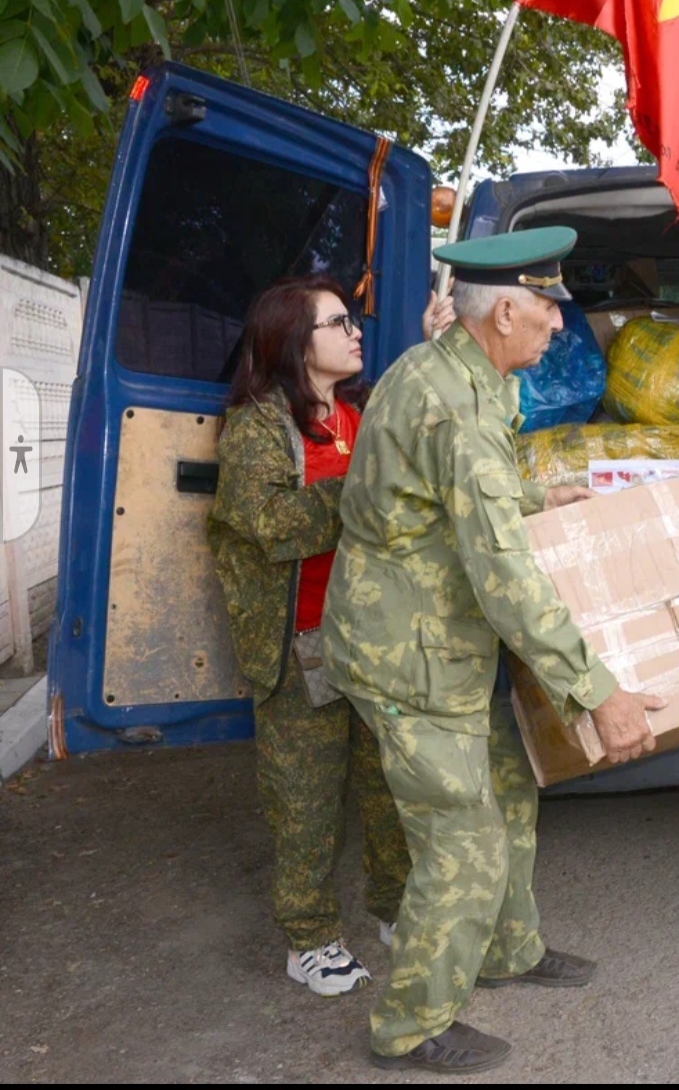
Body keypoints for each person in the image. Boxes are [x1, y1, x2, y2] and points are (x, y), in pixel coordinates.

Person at [322, 226, 666, 1074]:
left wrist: (542, 488)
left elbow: (461, 487)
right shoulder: (454, 402)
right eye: (548, 310)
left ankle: (509, 949)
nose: (558, 327)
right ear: (504, 309)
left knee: (511, 790)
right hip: (412, 651)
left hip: (442, 637)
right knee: (462, 840)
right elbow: (504, 574)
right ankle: (408, 1026)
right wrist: (598, 692)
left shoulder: (461, 372)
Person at [209, 277, 412, 996]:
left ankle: (394, 909)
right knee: (306, 800)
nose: (354, 331)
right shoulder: (258, 427)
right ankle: (310, 939)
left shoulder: (361, 419)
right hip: (303, 645)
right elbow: (266, 523)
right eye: (336, 322)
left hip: (371, 637)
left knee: (389, 786)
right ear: (296, 342)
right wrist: (360, 490)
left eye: (351, 320)